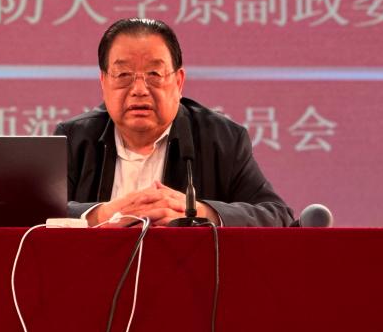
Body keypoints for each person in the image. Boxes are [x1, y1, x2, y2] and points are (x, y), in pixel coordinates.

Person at [56, 18, 293, 227]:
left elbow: (277, 216)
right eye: (123, 75)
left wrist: (200, 212)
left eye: (154, 74)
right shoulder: (73, 138)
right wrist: (102, 214)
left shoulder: (222, 139)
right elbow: (37, 213)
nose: (139, 90)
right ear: (103, 82)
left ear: (179, 82)